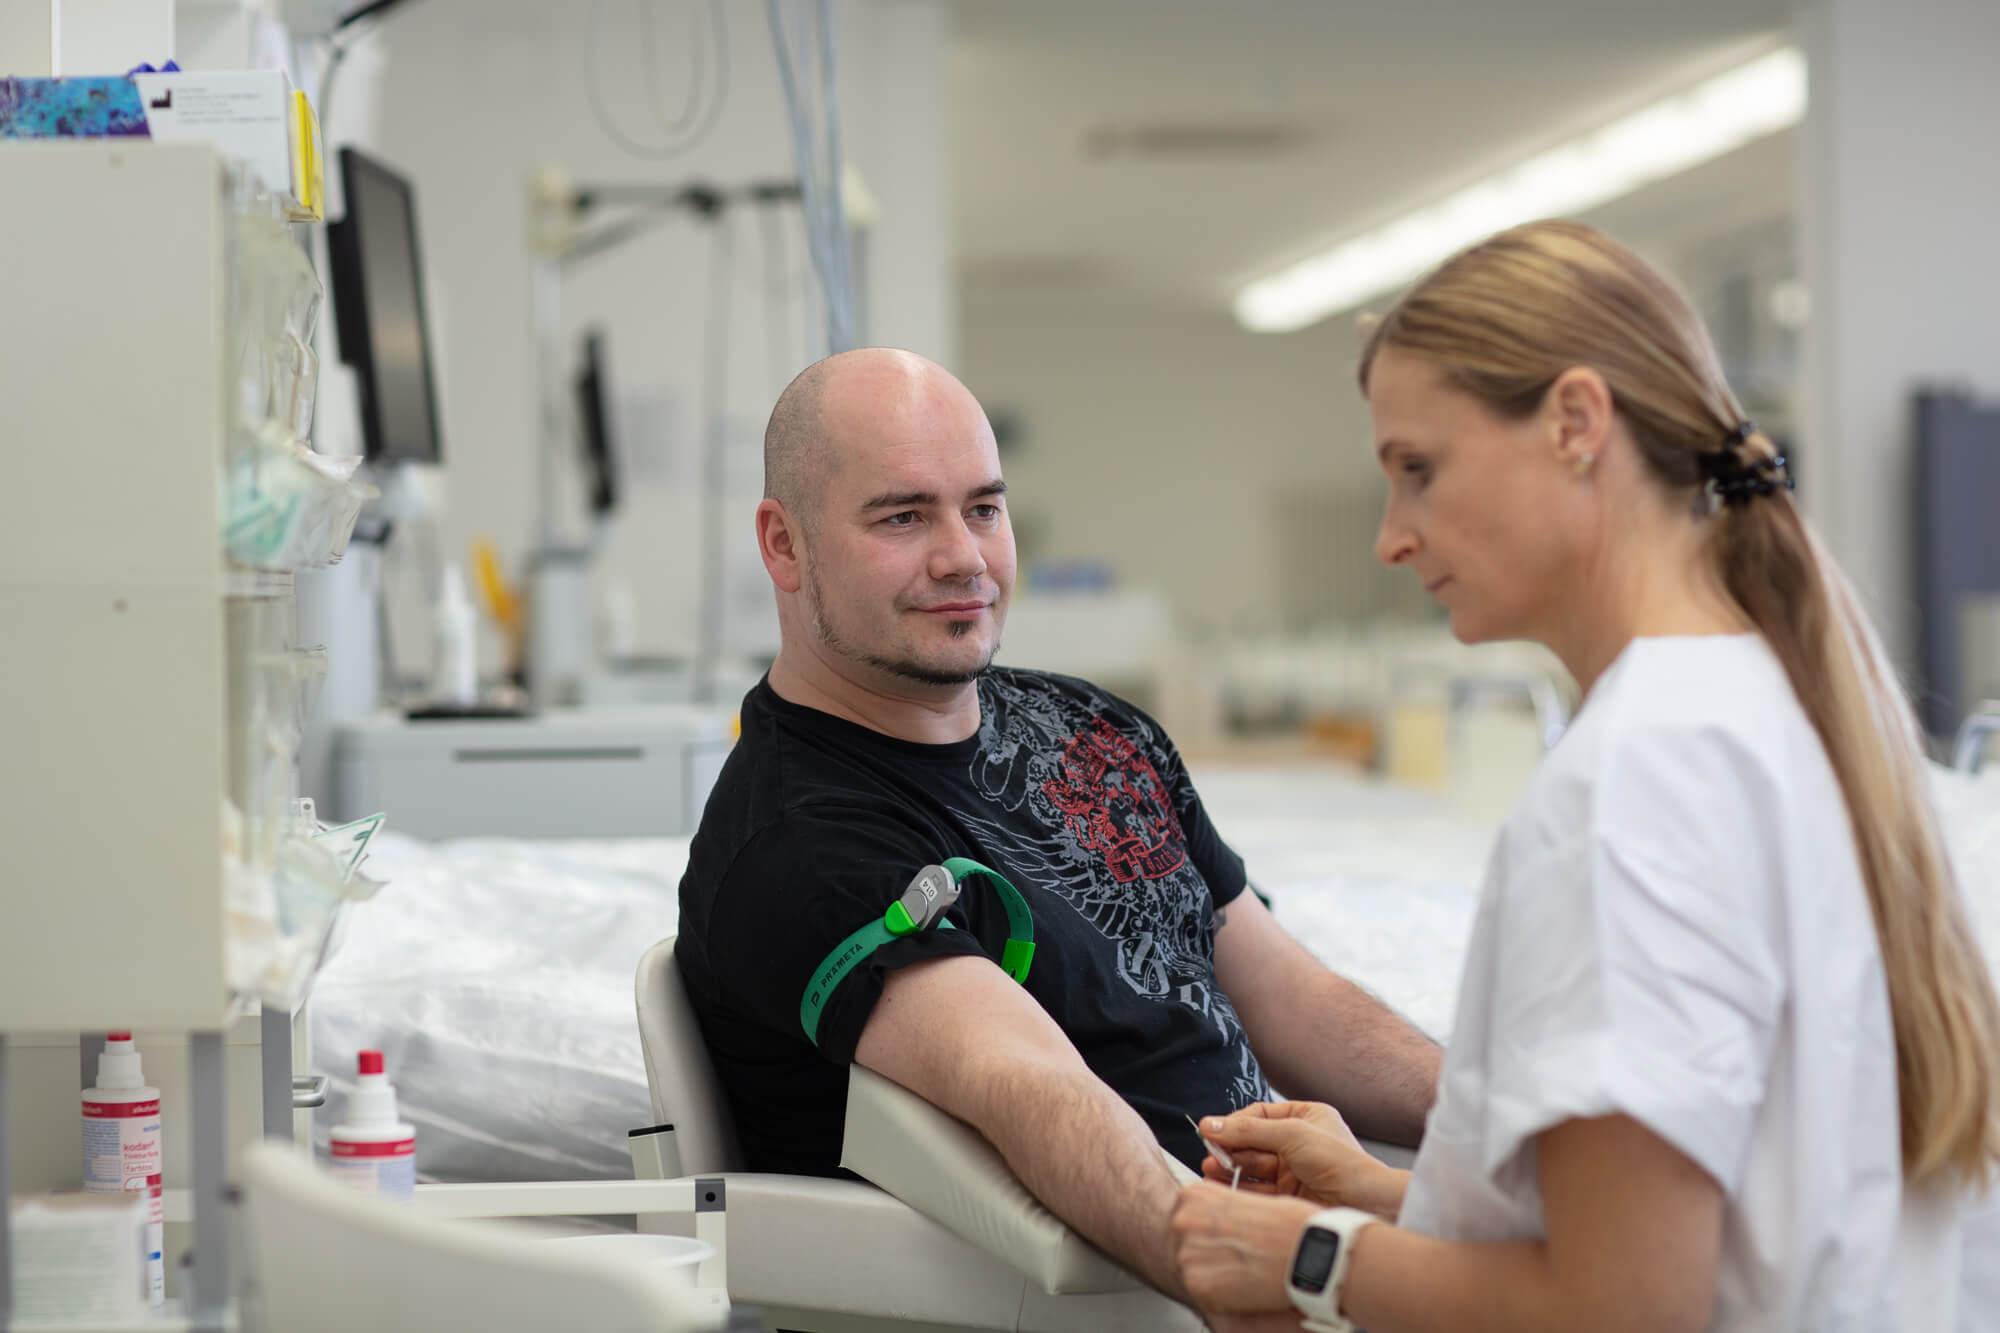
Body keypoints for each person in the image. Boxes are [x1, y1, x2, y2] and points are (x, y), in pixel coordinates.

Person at [1167, 219, 2000, 1332]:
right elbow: (1716, 1234)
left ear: (1573, 423)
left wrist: (1307, 1258)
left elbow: (1620, 1306)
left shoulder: (1630, 787)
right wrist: (1386, 1193)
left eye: (1418, 470)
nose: (1390, 537)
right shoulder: (1786, 712)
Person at [675, 346, 1442, 1298]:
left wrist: (1502, 1137)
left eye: (984, 508)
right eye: (904, 516)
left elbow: (1294, 1000)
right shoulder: (802, 836)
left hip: (1277, 1245)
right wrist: (1237, 1266)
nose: (965, 556)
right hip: (1131, 1292)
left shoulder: (1092, 728)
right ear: (783, 544)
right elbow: (1028, 1086)